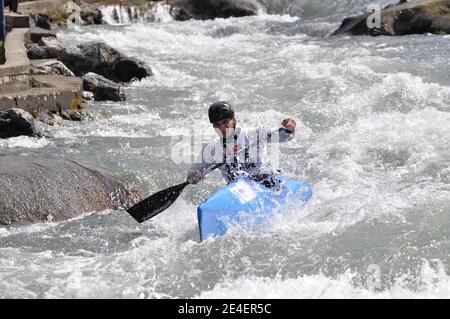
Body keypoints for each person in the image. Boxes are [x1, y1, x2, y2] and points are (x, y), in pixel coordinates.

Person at [187, 101, 297, 188]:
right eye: (217, 124)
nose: (222, 128)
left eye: (225, 122)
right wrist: (194, 176)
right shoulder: (211, 150)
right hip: (239, 191)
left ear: (234, 120)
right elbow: (193, 172)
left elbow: (285, 136)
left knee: (264, 175)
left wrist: (289, 128)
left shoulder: (254, 134)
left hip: (266, 179)